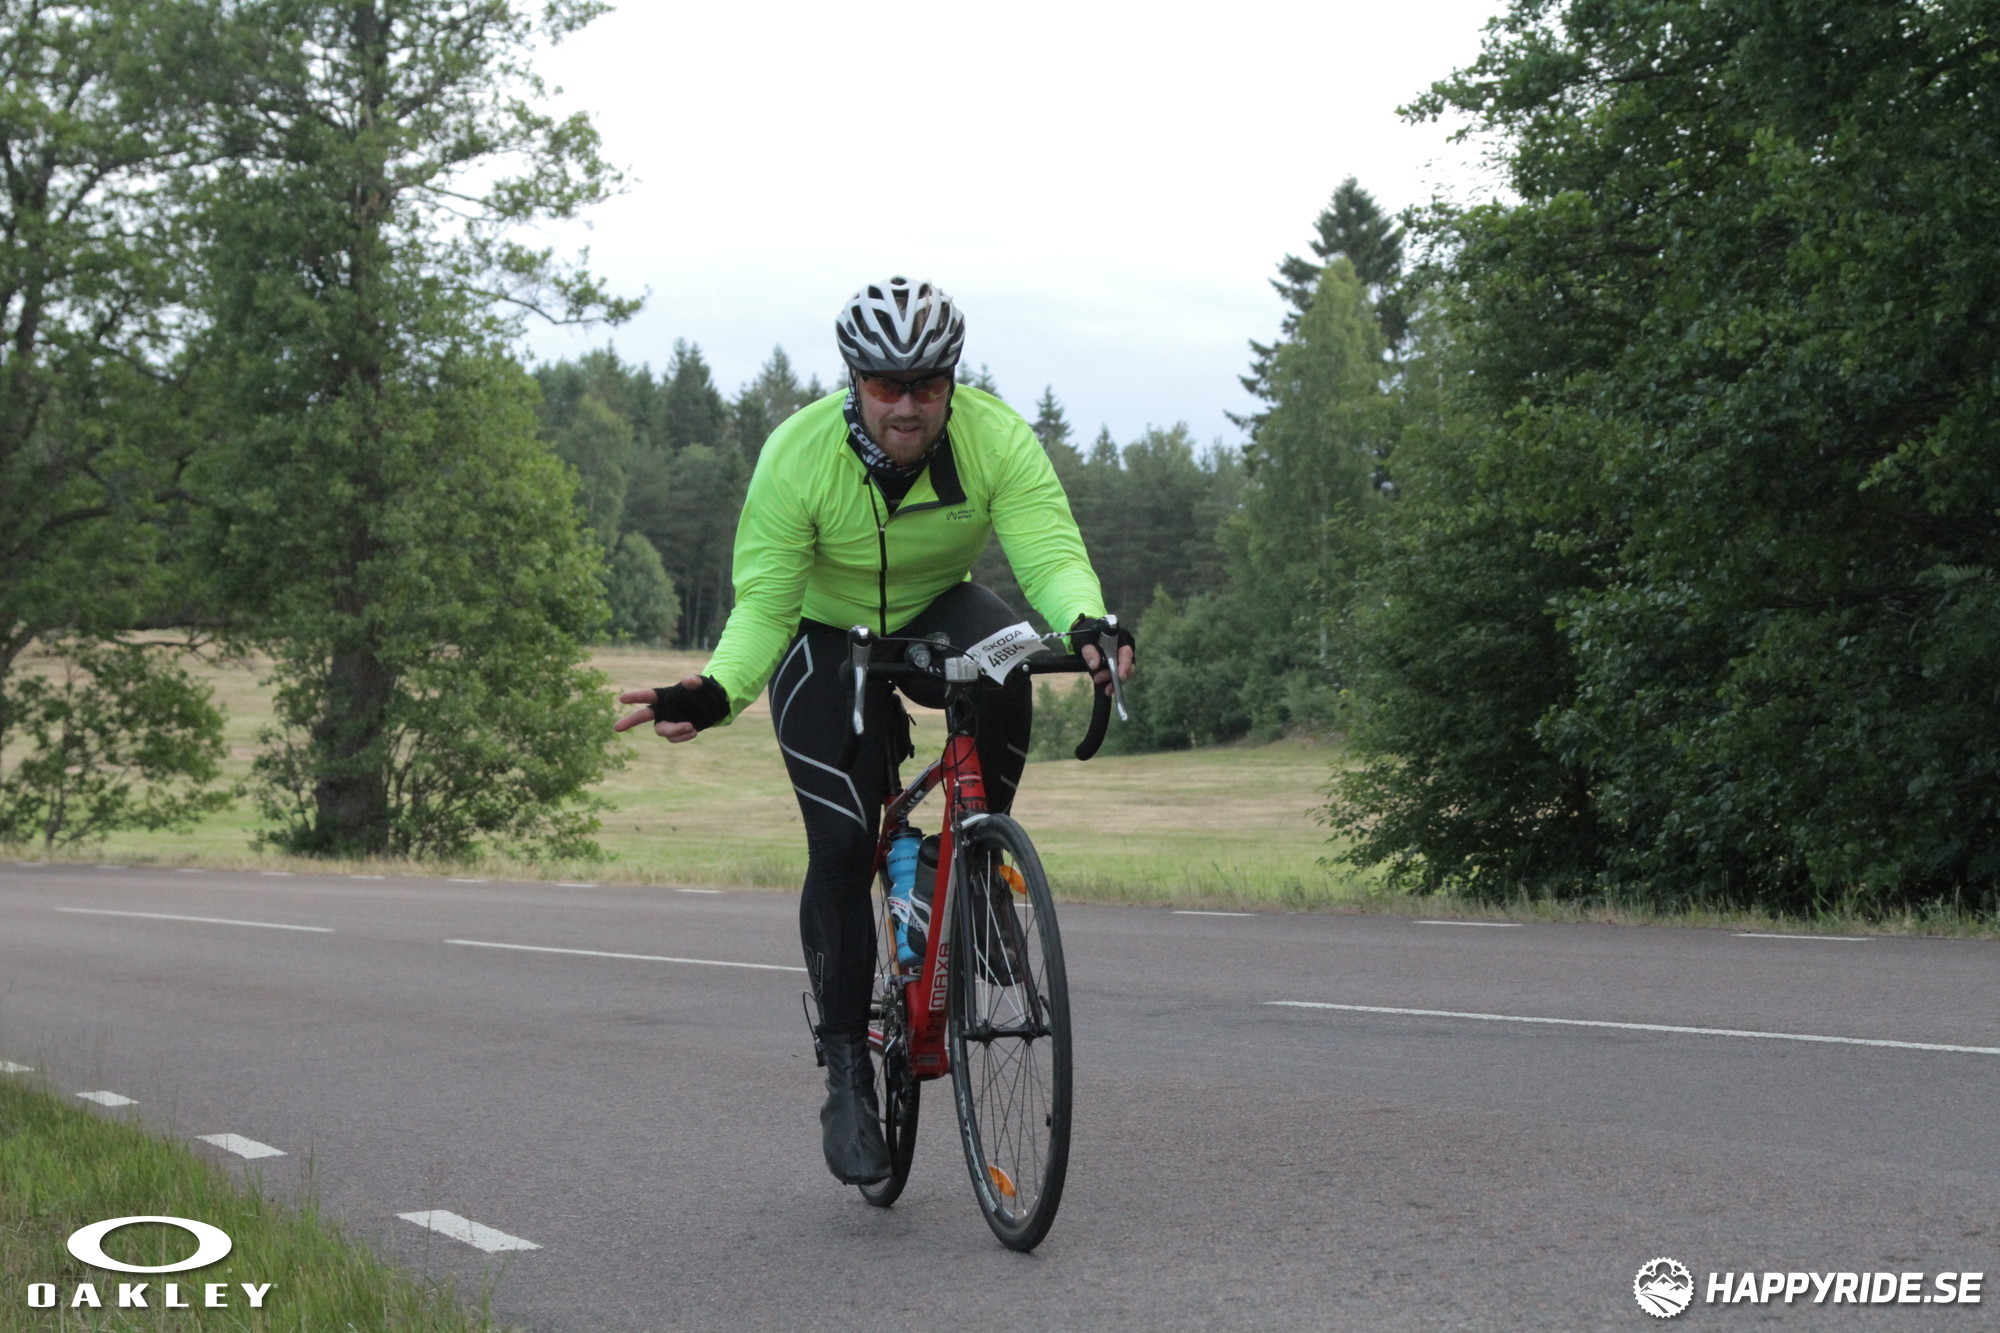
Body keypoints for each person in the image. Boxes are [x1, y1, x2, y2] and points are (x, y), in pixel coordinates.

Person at [614, 277, 1134, 1185]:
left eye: (927, 385)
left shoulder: (996, 438)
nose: (907, 404)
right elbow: (766, 601)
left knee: (1010, 656)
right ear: (854, 379)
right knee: (845, 842)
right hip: (826, 632)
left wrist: (1086, 623)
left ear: (951, 382)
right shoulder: (799, 454)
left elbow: (1048, 550)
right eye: (887, 384)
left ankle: (970, 863)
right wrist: (719, 689)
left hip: (937, 607)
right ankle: (849, 1071)